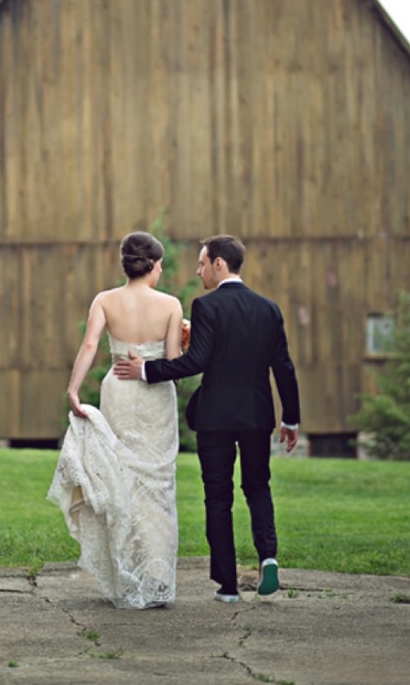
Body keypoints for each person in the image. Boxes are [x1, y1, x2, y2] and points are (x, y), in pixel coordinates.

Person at [114, 235, 300, 603]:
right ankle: (269, 556)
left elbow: (196, 362)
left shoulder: (206, 306)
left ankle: (228, 586)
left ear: (219, 263)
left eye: (201, 264)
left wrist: (147, 370)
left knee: (218, 497)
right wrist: (290, 420)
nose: (198, 271)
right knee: (258, 487)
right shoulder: (269, 309)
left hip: (215, 417)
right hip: (257, 415)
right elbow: (284, 368)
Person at [47, 231, 183, 609]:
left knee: (122, 479)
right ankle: (156, 580)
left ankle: (127, 577)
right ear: (155, 265)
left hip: (118, 392)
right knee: (157, 487)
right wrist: (180, 348)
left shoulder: (105, 300)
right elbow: (171, 365)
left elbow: (90, 345)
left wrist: (73, 390)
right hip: (154, 395)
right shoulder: (171, 305)